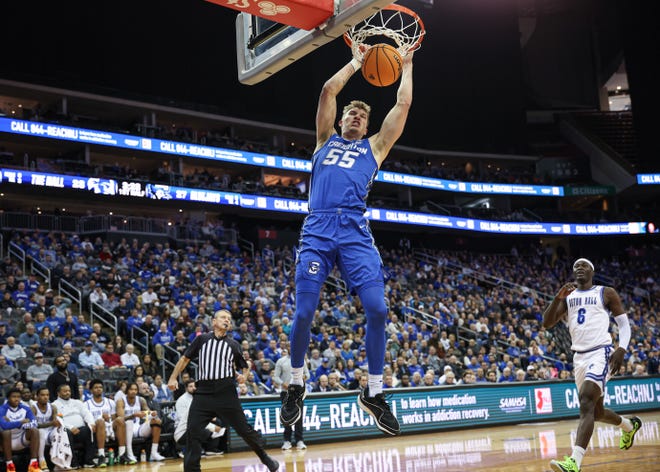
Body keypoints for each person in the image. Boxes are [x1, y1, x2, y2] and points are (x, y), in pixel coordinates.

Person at [280, 46, 414, 438]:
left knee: (377, 309)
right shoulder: (323, 141)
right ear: (340, 121)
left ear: (367, 125)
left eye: (363, 115)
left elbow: (402, 105)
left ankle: (374, 392)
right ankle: (296, 384)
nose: (357, 116)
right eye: (352, 113)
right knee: (304, 312)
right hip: (319, 229)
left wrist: (406, 66)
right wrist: (357, 61)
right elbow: (326, 91)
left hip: (354, 229)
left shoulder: (374, 147)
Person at [542, 258, 642, 472]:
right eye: (576, 266)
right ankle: (628, 425)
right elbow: (547, 323)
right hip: (579, 357)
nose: (579, 268)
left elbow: (624, 324)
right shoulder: (567, 298)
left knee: (586, 400)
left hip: (601, 352)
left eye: (584, 265)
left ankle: (574, 462)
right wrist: (556, 298)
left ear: (592, 272)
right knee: (595, 412)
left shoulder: (606, 292)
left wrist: (621, 349)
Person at [167, 310, 279, 472]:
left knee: (244, 430)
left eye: (229, 318)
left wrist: (244, 377)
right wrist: (173, 377)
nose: (227, 320)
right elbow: (185, 359)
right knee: (193, 432)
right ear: (213, 321)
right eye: (223, 317)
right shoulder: (202, 339)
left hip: (226, 392)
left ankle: (265, 457)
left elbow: (245, 365)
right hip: (203, 393)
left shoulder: (233, 345)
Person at [115, 382, 165, 463]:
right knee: (129, 422)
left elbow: (148, 412)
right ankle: (129, 453)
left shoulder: (141, 400)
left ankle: (154, 452)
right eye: (131, 389)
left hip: (138, 428)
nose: (133, 391)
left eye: (135, 389)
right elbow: (121, 418)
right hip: (125, 429)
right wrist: (133, 415)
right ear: (127, 390)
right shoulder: (121, 401)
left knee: (156, 421)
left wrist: (153, 415)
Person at [173, 380, 224, 456]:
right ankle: (187, 450)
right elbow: (195, 421)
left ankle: (210, 448)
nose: (194, 388)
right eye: (191, 386)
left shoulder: (196, 401)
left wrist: (211, 419)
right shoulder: (183, 400)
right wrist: (213, 428)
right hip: (182, 431)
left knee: (216, 421)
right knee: (202, 430)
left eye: (195, 386)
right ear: (186, 388)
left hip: (191, 427)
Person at [51, 384, 97, 468]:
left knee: (90, 429)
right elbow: (59, 420)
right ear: (58, 393)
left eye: (69, 391)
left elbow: (86, 413)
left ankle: (88, 460)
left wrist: (91, 423)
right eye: (65, 391)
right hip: (67, 431)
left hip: (80, 430)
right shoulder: (54, 405)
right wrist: (70, 427)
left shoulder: (77, 402)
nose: (67, 393)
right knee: (66, 433)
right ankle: (73, 462)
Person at [85, 379, 127, 467]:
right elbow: (87, 421)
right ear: (91, 390)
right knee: (100, 421)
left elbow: (114, 417)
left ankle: (122, 454)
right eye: (96, 387)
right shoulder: (86, 404)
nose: (98, 389)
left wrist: (109, 417)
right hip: (96, 429)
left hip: (110, 427)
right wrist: (100, 419)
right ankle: (101, 456)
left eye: (100, 387)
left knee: (120, 420)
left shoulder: (110, 402)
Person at [273, 348, 308, 451]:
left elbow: (308, 374)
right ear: (287, 348)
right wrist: (283, 384)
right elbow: (275, 377)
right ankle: (287, 441)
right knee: (286, 417)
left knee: (299, 417)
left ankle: (299, 440)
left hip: (299, 393)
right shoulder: (281, 361)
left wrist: (304, 377)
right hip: (286, 393)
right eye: (289, 346)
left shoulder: (302, 360)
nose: (291, 348)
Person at [0, 387, 42, 472]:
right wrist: (21, 422)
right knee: (6, 432)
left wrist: (18, 425)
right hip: (7, 441)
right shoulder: (2, 409)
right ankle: (10, 466)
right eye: (14, 397)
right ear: (8, 398)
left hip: (21, 438)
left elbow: (34, 423)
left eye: (18, 397)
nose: (16, 399)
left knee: (35, 430)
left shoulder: (25, 408)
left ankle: (33, 465)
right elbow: (4, 426)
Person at [31, 386, 62, 471]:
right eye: (42, 395)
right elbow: (34, 425)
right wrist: (51, 423)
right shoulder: (33, 408)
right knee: (40, 431)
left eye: (47, 395)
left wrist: (58, 423)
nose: (45, 397)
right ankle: (42, 461)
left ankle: (58, 463)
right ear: (37, 397)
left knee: (60, 432)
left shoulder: (53, 407)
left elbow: (55, 422)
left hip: (49, 433)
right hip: (37, 434)